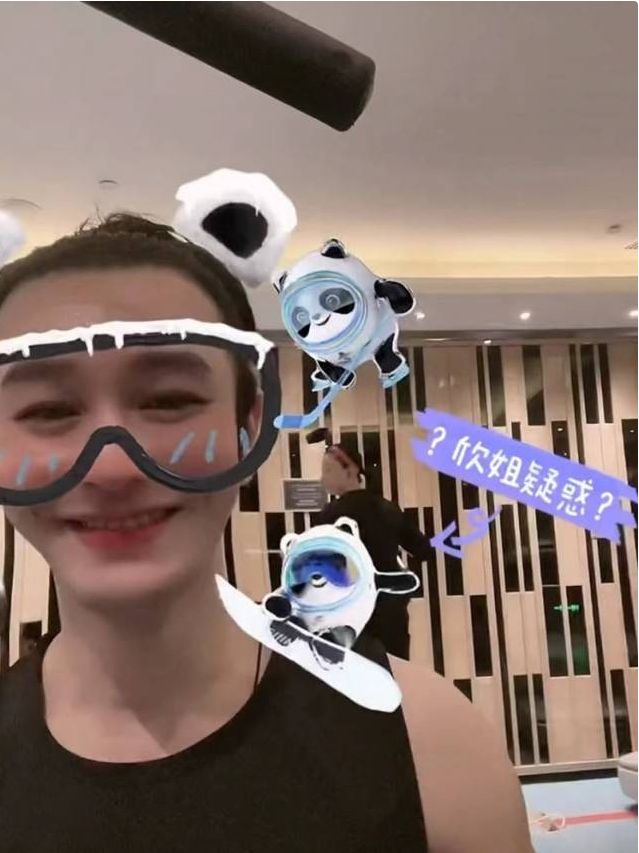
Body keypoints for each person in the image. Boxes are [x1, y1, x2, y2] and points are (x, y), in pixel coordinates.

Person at [0, 213, 534, 852]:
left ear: (248, 427)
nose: (112, 468)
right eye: (49, 410)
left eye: (169, 399)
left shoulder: (432, 746)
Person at [312, 437, 430, 660]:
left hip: (350, 616)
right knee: (395, 672)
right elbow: (423, 549)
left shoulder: (330, 516)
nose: (322, 478)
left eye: (328, 470)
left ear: (350, 471)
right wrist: (401, 580)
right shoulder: (388, 509)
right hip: (391, 614)